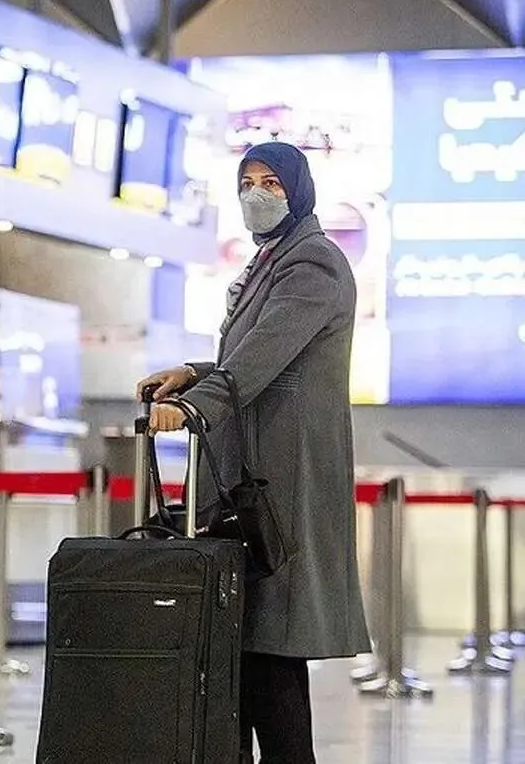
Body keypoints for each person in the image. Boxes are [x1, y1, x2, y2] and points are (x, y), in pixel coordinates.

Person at [136, 142, 370, 764]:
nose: (256, 194)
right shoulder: (273, 258)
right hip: (253, 466)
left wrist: (195, 405)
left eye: (272, 182)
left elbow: (267, 353)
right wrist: (194, 373)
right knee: (250, 642)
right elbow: (257, 355)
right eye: (247, 182)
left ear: (300, 189)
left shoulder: (313, 262)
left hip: (282, 474)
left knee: (272, 641)